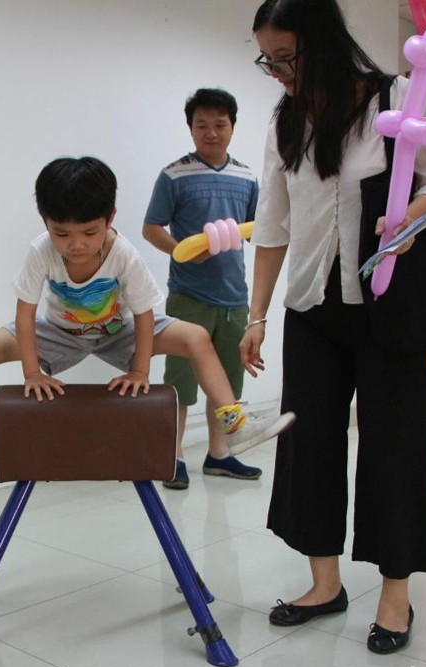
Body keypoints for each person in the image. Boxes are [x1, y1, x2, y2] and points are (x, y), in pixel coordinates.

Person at [243, 0, 426, 654]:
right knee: (307, 445)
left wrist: (407, 221)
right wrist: (257, 316)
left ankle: (396, 597)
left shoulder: (398, 98)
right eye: (267, 61)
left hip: (389, 306)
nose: (279, 73)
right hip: (312, 308)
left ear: (324, 44)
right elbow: (273, 225)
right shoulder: (285, 122)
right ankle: (324, 583)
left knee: (395, 445)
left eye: (287, 58)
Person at [0, 157, 295, 470]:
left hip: (121, 332)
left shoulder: (123, 254)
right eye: (61, 233)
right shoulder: (40, 251)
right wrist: (32, 372)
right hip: (59, 334)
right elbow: (25, 314)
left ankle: (233, 425)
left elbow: (145, 314)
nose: (75, 244)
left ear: (109, 219)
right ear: (45, 221)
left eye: (89, 232)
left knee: (196, 338)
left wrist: (139, 370)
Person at [143, 88, 263, 490]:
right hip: (188, 297)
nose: (211, 133)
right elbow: (151, 228)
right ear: (191, 129)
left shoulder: (247, 176)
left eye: (220, 125)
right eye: (202, 125)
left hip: (234, 299)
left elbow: (256, 229)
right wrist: (183, 251)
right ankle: (173, 457)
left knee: (226, 381)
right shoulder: (174, 175)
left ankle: (219, 455)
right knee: (180, 382)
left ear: (232, 127)